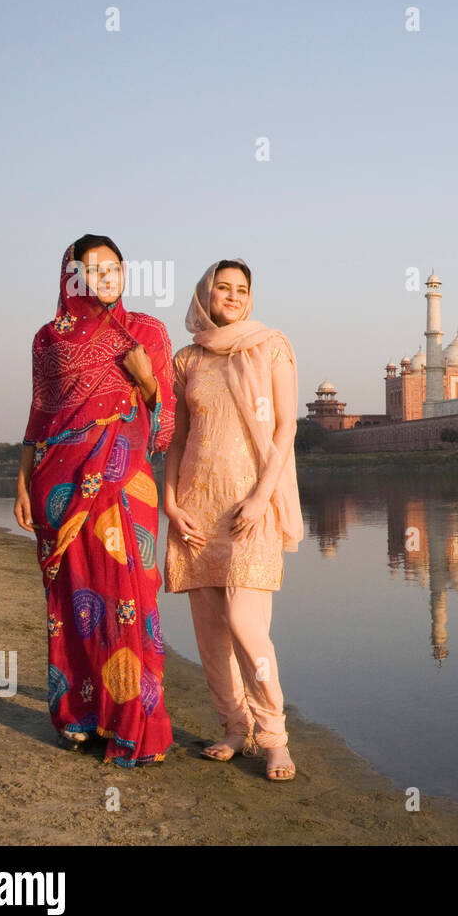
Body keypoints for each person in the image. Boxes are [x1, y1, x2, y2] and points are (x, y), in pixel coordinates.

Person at [14, 235, 176, 767]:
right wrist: (21, 480)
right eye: (91, 270)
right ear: (71, 277)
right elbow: (41, 412)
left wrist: (145, 377)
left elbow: (164, 418)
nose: (104, 278)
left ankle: (133, 719)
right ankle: (81, 715)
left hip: (125, 481)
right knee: (73, 604)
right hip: (59, 484)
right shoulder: (48, 339)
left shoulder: (147, 332)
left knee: (132, 599)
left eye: (113, 269)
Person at [163, 258, 302, 781]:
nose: (234, 296)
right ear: (206, 294)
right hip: (196, 511)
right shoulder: (187, 360)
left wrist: (261, 496)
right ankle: (233, 726)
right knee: (211, 635)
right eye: (223, 288)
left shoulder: (270, 346)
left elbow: (286, 427)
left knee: (247, 628)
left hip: (251, 507)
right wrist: (171, 505)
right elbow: (177, 440)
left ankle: (274, 737)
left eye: (242, 289)